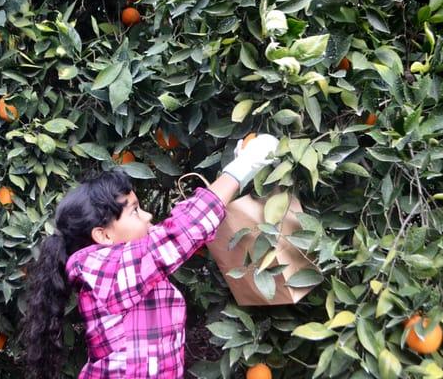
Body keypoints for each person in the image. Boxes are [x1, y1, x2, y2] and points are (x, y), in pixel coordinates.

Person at [20, 134, 279, 379]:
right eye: (134, 211)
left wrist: (236, 182)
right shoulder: (102, 271)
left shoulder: (126, 267)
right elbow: (180, 233)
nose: (147, 216)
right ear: (104, 235)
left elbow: (182, 231)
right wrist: (239, 170)